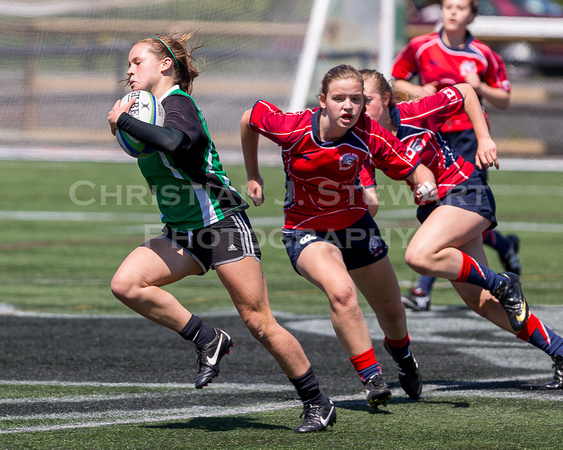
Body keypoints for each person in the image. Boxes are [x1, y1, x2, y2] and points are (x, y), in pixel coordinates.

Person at [107, 32, 337, 433]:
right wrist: (128, 122)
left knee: (259, 321)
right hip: (182, 229)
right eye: (128, 64)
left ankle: (317, 401)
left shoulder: (178, 104)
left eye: (136, 61)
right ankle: (207, 338)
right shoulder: (149, 108)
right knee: (127, 284)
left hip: (220, 223)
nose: (129, 70)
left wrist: (123, 121)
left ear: (165, 65)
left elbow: (177, 142)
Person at [240, 64, 436, 410]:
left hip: (355, 226)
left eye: (356, 99)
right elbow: (248, 119)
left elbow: (411, 165)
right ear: (322, 101)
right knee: (342, 292)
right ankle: (372, 379)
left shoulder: (370, 133)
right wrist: (253, 174)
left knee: (391, 310)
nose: (348, 106)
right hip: (306, 230)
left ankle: (404, 358)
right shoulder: (293, 127)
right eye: (339, 98)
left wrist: (424, 181)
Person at [359, 69, 563, 390]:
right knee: (479, 302)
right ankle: (560, 350)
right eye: (352, 100)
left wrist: (484, 139)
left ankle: (503, 283)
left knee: (419, 254)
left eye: (364, 100)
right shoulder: (364, 139)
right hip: (436, 207)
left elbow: (466, 91)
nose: (356, 107)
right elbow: (370, 200)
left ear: (386, 100)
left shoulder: (415, 111)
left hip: (466, 190)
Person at [392, 0, 521, 311]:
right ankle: (505, 245)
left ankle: (422, 291)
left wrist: (480, 89)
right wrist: (418, 92)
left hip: (467, 137)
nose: (452, 12)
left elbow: (503, 98)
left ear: (472, 15)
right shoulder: (421, 46)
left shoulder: (483, 54)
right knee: (446, 211)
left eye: (461, 7)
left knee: (460, 210)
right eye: (448, 6)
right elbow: (394, 82)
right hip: (430, 134)